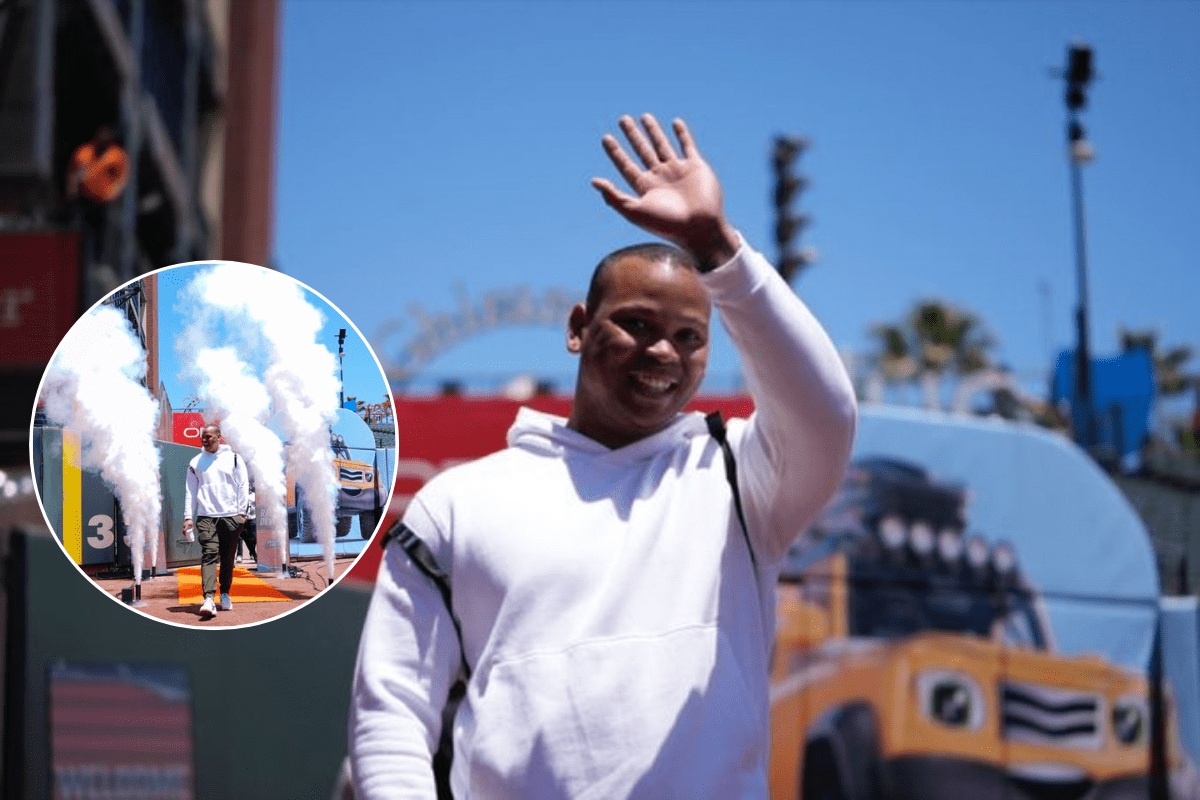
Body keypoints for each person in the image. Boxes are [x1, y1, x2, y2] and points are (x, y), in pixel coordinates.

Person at [349, 114, 857, 798]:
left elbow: (827, 414)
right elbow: (392, 709)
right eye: (637, 324)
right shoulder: (458, 504)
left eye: (689, 337)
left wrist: (717, 247)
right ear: (578, 328)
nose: (663, 353)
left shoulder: (738, 477)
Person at [182, 424, 249, 618]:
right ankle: (209, 598)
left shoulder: (235, 459)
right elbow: (191, 492)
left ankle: (225, 594)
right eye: (203, 436)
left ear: (219, 437)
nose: (204, 440)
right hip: (206, 517)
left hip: (231, 517)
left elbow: (243, 486)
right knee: (209, 554)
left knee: (227, 559)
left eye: (209, 436)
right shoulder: (195, 462)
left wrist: (241, 514)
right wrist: (188, 517)